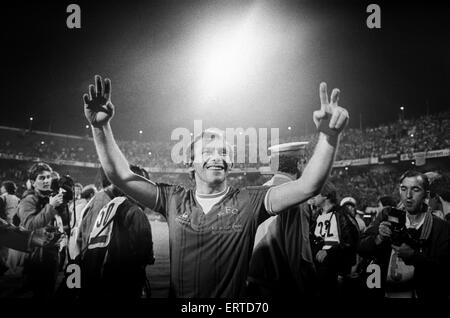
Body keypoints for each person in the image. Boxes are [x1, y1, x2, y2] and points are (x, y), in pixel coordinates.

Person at [83, 75, 349, 297]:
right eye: (207, 151)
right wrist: (100, 128)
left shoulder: (250, 201)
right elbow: (121, 175)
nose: (217, 156)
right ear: (191, 164)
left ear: (230, 162)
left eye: (223, 151)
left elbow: (308, 186)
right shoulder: (173, 198)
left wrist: (328, 136)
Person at [358, 170, 450, 298]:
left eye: (415, 189)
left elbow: (445, 273)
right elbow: (360, 248)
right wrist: (378, 238)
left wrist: (414, 257)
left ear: (426, 195)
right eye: (403, 188)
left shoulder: (441, 227)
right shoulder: (387, 215)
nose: (408, 195)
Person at [247, 142, 317, 298]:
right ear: (299, 163)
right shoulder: (297, 197)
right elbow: (300, 256)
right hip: (280, 287)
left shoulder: (259, 192)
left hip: (252, 281)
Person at [78, 165, 154, 299]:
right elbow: (145, 254)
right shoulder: (133, 211)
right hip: (121, 281)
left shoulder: (100, 200)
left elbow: (82, 239)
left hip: (95, 276)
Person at [17, 162, 65, 298]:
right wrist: (51, 206)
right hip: (36, 256)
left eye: (48, 177)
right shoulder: (28, 200)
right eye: (41, 178)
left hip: (52, 252)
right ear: (33, 182)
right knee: (37, 293)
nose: (46, 181)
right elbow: (29, 225)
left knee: (48, 292)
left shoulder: (49, 198)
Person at [309, 182, 359, 297]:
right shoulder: (317, 215)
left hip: (336, 272)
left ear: (326, 195)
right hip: (318, 270)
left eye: (316, 193)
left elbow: (351, 242)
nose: (312, 196)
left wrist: (330, 253)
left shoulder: (342, 214)